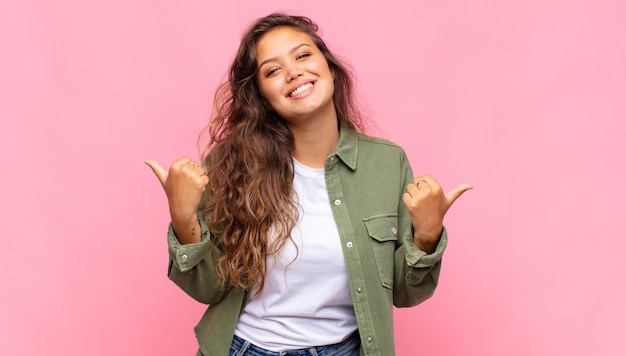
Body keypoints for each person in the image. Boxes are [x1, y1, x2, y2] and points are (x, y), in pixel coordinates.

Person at [146, 13, 472, 356]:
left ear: (329, 68)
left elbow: (406, 293)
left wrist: (427, 235)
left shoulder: (387, 164)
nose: (293, 72)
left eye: (302, 55)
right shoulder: (231, 165)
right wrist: (184, 220)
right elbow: (210, 289)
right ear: (261, 96)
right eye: (272, 70)